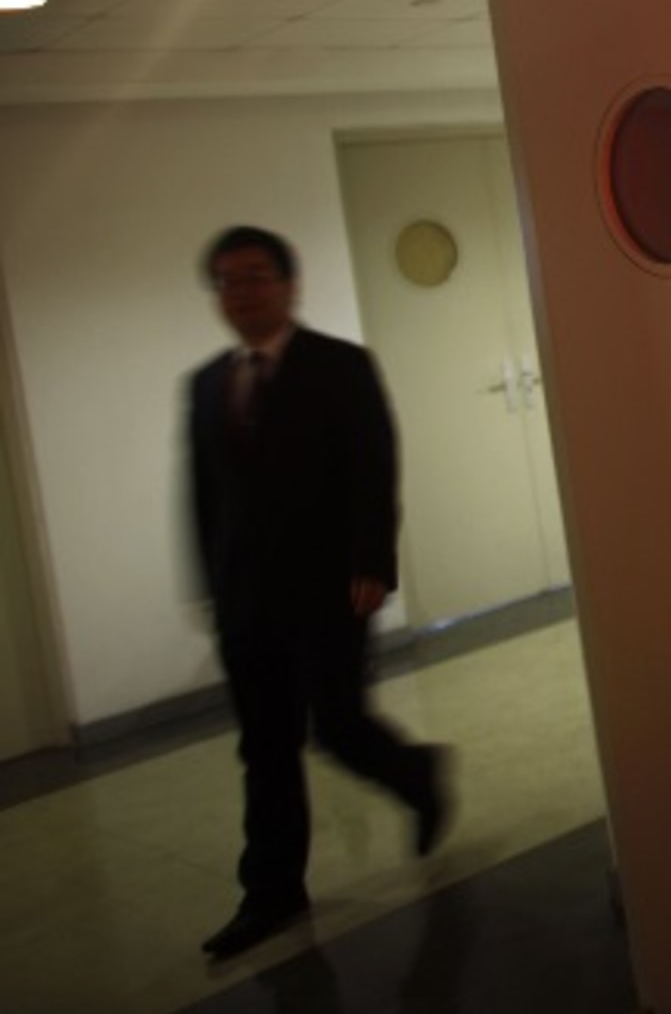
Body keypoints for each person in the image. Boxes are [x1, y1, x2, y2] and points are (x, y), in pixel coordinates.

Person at [187, 225, 448, 961]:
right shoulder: (207, 384)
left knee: (336, 724)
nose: (243, 291)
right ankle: (270, 893)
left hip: (331, 587)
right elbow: (205, 496)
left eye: (257, 276)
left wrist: (373, 559)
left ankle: (418, 774)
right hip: (246, 600)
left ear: (288, 286)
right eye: (229, 280)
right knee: (264, 748)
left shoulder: (339, 367)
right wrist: (212, 586)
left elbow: (374, 464)